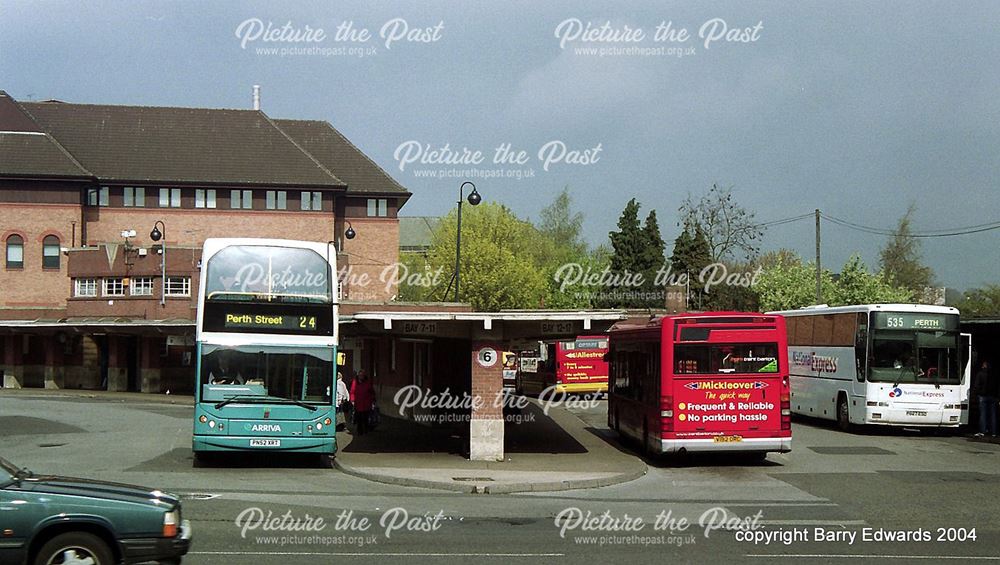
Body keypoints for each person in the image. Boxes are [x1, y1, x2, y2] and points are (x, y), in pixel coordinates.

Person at [972, 361, 998, 438]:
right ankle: (994, 432)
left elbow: (976, 385)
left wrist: (975, 394)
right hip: (992, 396)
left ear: (984, 366)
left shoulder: (980, 374)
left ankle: (982, 431)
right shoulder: (993, 375)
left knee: (983, 414)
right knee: (993, 415)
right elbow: (996, 385)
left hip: (982, 396)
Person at [350, 370, 375, 435]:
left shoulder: (367, 382)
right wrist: (352, 400)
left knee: (365, 418)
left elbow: (371, 392)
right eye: (360, 375)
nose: (361, 377)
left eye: (362, 375)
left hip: (366, 403)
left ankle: (366, 430)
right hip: (358, 403)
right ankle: (360, 431)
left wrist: (372, 400)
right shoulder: (355, 382)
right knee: (359, 418)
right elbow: (352, 391)